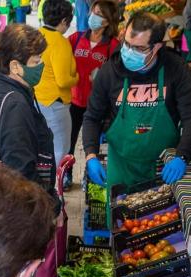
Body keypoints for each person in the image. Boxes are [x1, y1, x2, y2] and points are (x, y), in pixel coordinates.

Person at [82, 11, 191, 191]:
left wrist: (182, 156)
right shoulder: (109, 71)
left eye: (139, 48)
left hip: (163, 167)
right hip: (121, 165)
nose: (129, 52)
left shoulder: (175, 69)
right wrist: (91, 155)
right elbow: (92, 116)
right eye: (127, 44)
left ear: (157, 47)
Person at [0, 23, 56, 203]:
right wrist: (51, 205)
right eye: (36, 60)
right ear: (15, 66)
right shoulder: (14, 103)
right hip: (11, 209)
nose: (41, 65)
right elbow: (21, 171)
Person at [67, 0, 120, 159]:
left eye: (99, 14)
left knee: (92, 143)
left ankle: (91, 174)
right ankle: (67, 174)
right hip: (74, 101)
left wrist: (101, 78)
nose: (93, 16)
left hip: (97, 104)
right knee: (70, 141)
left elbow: (117, 75)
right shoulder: (75, 38)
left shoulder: (113, 45)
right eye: (93, 12)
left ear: (108, 21)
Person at [35, 0, 78, 189]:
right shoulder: (60, 42)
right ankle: (52, 191)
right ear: (64, 21)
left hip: (36, 99)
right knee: (60, 151)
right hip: (55, 103)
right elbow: (63, 80)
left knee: (41, 148)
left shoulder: (37, 35)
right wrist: (76, 77)